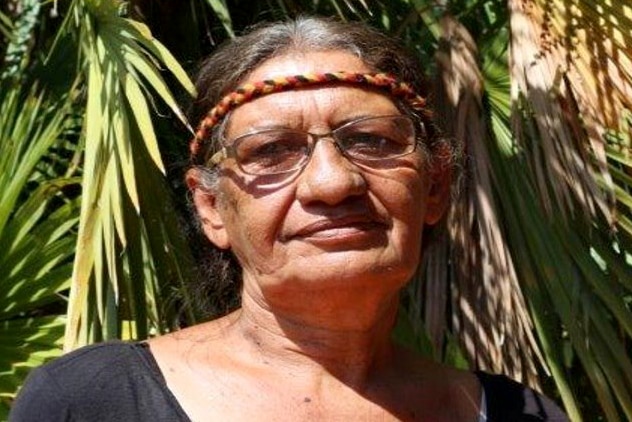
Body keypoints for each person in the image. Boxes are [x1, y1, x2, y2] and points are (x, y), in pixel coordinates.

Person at [10, 16, 568, 421]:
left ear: (436, 187)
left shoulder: (518, 414)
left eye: (372, 141)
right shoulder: (91, 403)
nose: (333, 183)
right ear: (211, 208)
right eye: (273, 150)